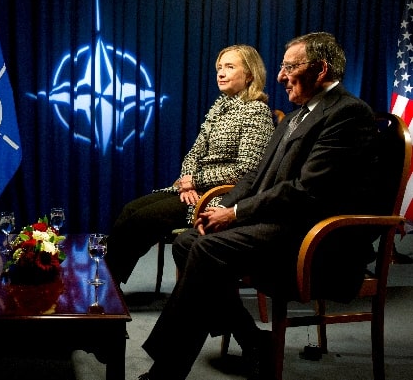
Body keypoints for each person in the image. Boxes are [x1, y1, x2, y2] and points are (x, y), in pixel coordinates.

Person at [136, 32, 380, 380]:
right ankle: (252, 340)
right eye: (282, 67)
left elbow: (305, 191)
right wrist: (217, 212)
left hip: (317, 240)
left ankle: (166, 371)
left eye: (290, 67)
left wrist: (234, 214)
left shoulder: (347, 113)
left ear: (321, 69)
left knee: (206, 251)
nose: (280, 76)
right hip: (280, 226)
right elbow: (253, 178)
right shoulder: (298, 115)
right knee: (189, 241)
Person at [106, 44, 275, 285]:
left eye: (229, 67)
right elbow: (193, 153)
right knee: (129, 210)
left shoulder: (256, 112)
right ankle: (108, 282)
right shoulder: (220, 107)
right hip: (194, 191)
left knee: (140, 220)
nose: (221, 73)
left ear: (249, 74)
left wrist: (196, 181)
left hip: (219, 198)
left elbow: (247, 171)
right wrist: (188, 183)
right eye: (219, 67)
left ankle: (108, 288)